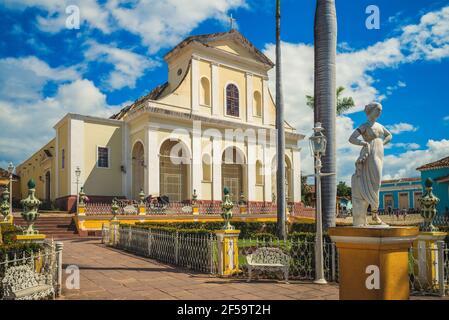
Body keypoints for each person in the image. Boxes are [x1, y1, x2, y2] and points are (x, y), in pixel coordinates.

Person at [349, 102, 392, 226]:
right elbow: (351, 138)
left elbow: (389, 135)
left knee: (377, 183)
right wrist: (363, 143)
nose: (380, 112)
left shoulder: (380, 126)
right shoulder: (365, 126)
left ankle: (374, 213)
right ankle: (374, 214)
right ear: (371, 111)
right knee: (374, 181)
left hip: (379, 152)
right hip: (370, 153)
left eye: (381, 110)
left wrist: (382, 143)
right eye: (378, 110)